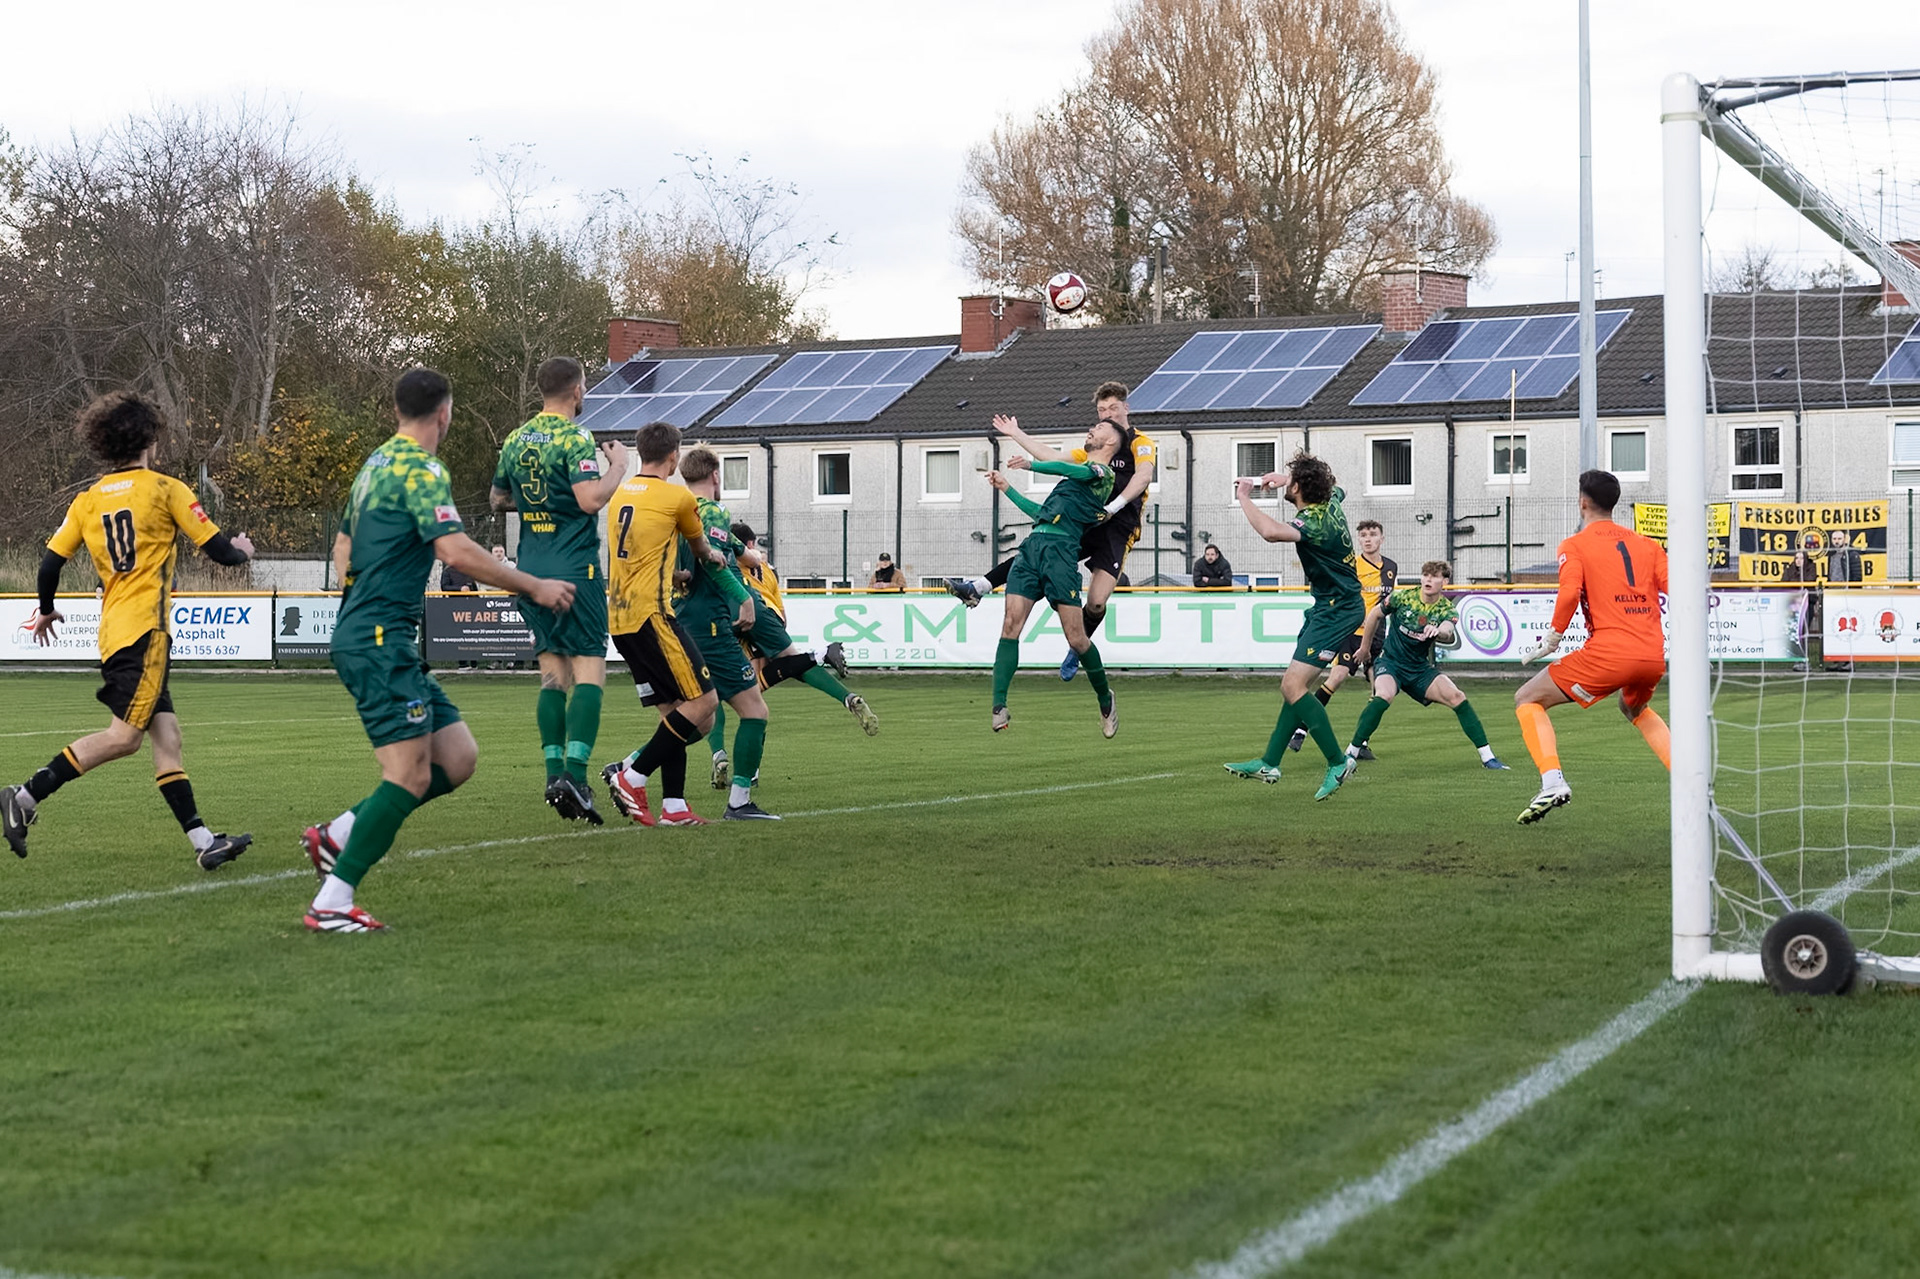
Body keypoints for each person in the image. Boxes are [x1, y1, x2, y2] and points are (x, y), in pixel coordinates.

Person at [299, 368, 578, 932]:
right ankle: (332, 900)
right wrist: (532, 584)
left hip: (377, 634)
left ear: (396, 411)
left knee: (457, 758)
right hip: (380, 639)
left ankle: (339, 835)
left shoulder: (376, 464)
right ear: (445, 413)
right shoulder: (423, 469)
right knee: (408, 776)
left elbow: (343, 548)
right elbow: (454, 550)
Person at [2, 392, 256, 868]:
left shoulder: (87, 500)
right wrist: (243, 550)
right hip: (146, 634)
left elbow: (50, 563)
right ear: (149, 440)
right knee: (124, 738)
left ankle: (203, 843)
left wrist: (45, 609)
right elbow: (220, 551)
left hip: (115, 633)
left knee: (168, 736)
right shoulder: (166, 489)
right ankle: (24, 797)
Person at [490, 356, 628, 824]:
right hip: (574, 569)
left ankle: (553, 776)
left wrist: (538, 501)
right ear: (576, 390)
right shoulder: (575, 438)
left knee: (552, 674)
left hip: (531, 568)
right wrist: (618, 468)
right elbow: (590, 500)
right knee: (590, 669)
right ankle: (576, 774)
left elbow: (498, 497)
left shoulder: (515, 438)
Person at [945, 381, 1157, 675]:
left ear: (1126, 408)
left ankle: (1077, 647)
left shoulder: (1139, 442)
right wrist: (1017, 434)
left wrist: (1114, 507)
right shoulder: (1095, 446)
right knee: (1039, 545)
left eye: (1113, 408)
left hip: (1118, 526)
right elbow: (1055, 458)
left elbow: (1144, 476)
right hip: (1087, 519)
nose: (1106, 414)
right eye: (1101, 410)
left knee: (1096, 603)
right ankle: (978, 587)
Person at [599, 421, 741, 828]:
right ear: (674, 456)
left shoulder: (622, 493)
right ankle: (631, 774)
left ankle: (674, 807)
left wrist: (671, 575)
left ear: (642, 453)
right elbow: (701, 549)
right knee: (705, 703)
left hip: (621, 618)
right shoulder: (679, 497)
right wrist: (715, 557)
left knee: (674, 713)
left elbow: (639, 553)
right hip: (653, 616)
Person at [1512, 468, 1671, 825]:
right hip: (1651, 655)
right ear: (1615, 504)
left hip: (1610, 654)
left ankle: (1552, 782)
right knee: (1634, 710)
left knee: (1528, 698)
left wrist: (1552, 638)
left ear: (1583, 502)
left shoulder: (1575, 545)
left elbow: (1569, 592)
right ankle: (1691, 781)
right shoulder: (1648, 545)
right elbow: (1679, 586)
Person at [1222, 452, 1361, 801]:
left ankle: (1337, 761)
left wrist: (1244, 497)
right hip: (1329, 607)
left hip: (1338, 609)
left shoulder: (1312, 522)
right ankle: (1270, 761)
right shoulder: (1331, 502)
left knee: (1293, 684)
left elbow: (1270, 532)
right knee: (1293, 688)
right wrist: (1285, 481)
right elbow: (1338, 487)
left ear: (1300, 488)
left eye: (1291, 478)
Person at [983, 420, 1126, 736]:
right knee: (1010, 624)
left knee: (1076, 638)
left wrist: (1033, 464)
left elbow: (1073, 471)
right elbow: (1040, 515)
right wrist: (1007, 488)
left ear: (1111, 443)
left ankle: (1105, 699)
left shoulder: (1103, 475)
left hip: (1061, 552)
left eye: (1101, 427)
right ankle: (999, 705)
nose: (1092, 428)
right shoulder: (1071, 481)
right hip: (1033, 547)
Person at [1346, 561, 1508, 771]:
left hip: (1418, 669)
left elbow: (1448, 630)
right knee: (1383, 695)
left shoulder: (1445, 609)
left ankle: (1488, 758)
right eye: (1425, 575)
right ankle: (1351, 751)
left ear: (1445, 581)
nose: (1428, 580)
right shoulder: (1403, 597)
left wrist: (1438, 631)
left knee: (1457, 697)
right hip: (1390, 662)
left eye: (1434, 576)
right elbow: (1374, 614)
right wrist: (1365, 649)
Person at [1289, 517, 1396, 758]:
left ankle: (1362, 744)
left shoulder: (1391, 567)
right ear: (1359, 540)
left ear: (1382, 538)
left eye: (1373, 534)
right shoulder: (1353, 566)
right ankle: (1301, 731)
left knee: (1378, 690)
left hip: (1378, 634)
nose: (1368, 539)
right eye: (1364, 536)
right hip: (1352, 631)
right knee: (1336, 677)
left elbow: (1385, 603)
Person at [1823, 528, 1861, 671]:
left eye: (1839, 538)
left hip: (1847, 596)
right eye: (1834, 539)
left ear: (1845, 539)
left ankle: (1849, 660)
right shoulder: (1831, 556)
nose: (1837, 541)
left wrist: (1852, 594)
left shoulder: (1852, 555)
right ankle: (1837, 659)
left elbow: (1857, 577)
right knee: (1835, 627)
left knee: (1848, 628)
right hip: (1833, 596)